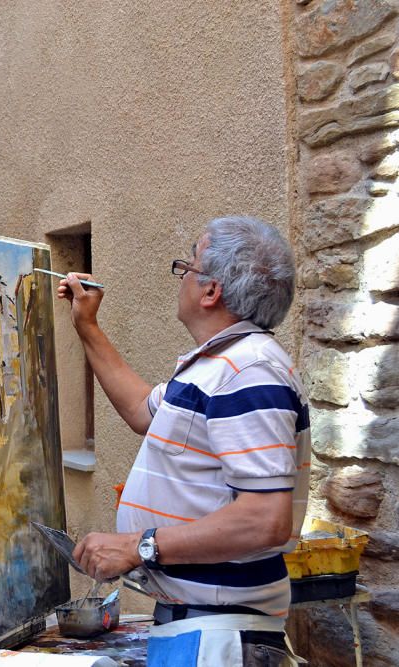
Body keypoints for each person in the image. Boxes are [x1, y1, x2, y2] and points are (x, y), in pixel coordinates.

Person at [57, 216, 310, 667]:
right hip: (202, 626)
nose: (182, 278)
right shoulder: (219, 365)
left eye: (187, 268)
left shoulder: (247, 373)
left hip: (219, 634)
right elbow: (141, 411)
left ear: (211, 291)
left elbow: (265, 520)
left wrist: (139, 545)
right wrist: (87, 325)